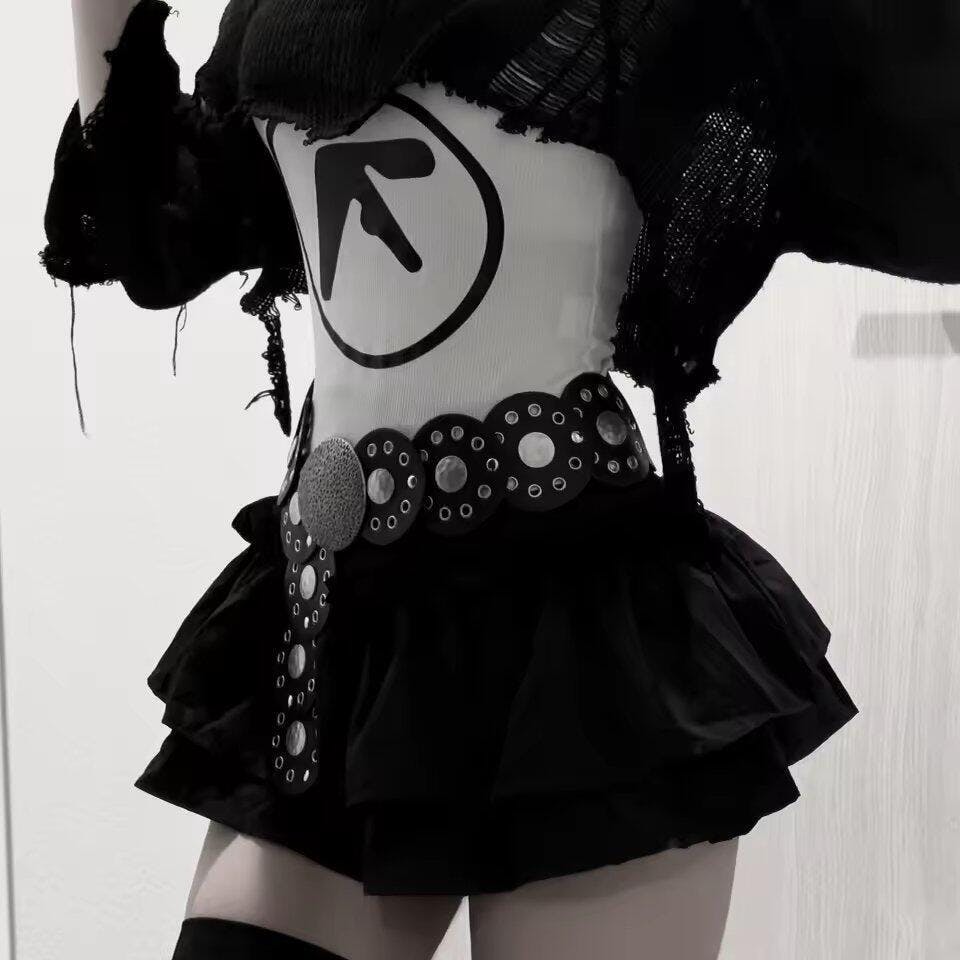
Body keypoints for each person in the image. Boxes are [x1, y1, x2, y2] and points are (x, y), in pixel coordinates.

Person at [41, 2, 959, 957]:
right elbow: (155, 241)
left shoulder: (628, 15)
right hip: (336, 639)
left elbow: (910, 147)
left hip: (583, 643)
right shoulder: (275, 21)